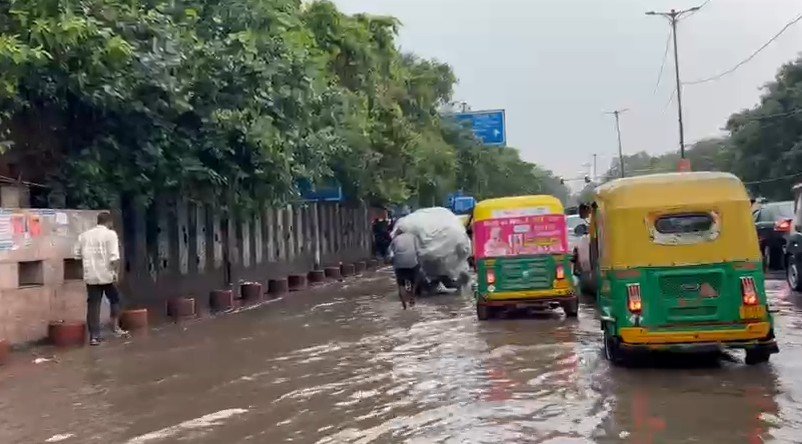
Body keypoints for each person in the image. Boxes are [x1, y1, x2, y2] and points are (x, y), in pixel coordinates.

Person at [74, 211, 128, 345]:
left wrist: (83, 271)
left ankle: (94, 336)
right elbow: (114, 258)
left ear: (97, 221)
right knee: (115, 299)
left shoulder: (84, 236)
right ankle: (115, 327)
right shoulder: (111, 235)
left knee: (93, 305)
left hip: (90, 276)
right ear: (109, 222)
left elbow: (76, 256)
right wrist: (115, 273)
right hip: (107, 275)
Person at [390, 228, 420, 309]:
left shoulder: (395, 240)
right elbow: (418, 251)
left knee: (401, 283)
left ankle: (404, 304)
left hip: (399, 264)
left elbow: (391, 254)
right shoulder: (413, 237)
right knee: (415, 279)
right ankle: (412, 295)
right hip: (412, 263)